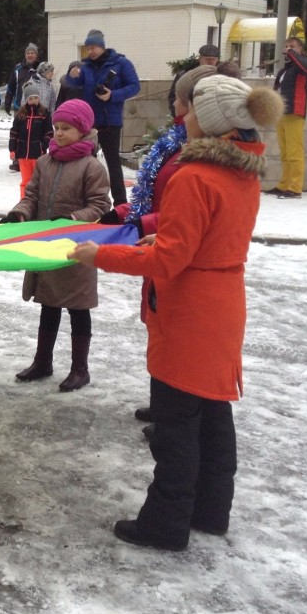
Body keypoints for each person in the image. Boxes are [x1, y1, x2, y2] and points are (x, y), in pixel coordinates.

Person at [69, 75, 281, 551]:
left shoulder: (193, 176)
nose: (181, 118)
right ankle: (210, 510)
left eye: (190, 111)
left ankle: (164, 524)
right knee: (212, 412)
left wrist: (96, 256)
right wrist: (162, 237)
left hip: (189, 311)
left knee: (176, 424)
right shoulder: (244, 172)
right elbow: (198, 237)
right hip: (223, 303)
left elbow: (169, 260)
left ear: (208, 122)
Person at [103, 64, 228, 442]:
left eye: (177, 98)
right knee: (158, 332)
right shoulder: (175, 145)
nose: (173, 104)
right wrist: (123, 214)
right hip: (158, 250)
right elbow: (152, 198)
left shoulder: (195, 158)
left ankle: (173, 417)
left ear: (191, 106)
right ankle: (164, 406)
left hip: (173, 262)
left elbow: (181, 214)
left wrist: (139, 228)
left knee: (175, 342)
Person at [0, 98, 111, 393]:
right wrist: (20, 212)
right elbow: (32, 196)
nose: (59, 133)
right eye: (56, 128)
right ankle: (42, 361)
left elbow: (101, 204)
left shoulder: (91, 166)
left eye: (66, 128)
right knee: (48, 304)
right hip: (46, 247)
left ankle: (80, 369)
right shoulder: (45, 162)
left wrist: (73, 219)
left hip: (77, 249)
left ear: (83, 130)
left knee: (78, 308)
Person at [75, 29, 141, 206]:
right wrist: (71, 76)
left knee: (113, 162)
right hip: (89, 122)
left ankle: (120, 203)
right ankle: (89, 200)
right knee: (87, 163)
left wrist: (112, 95)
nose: (90, 52)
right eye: (87, 49)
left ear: (102, 46)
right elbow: (74, 85)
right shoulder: (86, 67)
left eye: (93, 47)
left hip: (110, 121)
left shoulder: (121, 63)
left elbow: (135, 86)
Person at [267, 36, 307, 199]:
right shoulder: (286, 68)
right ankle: (284, 184)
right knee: (285, 152)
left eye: (292, 47)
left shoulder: (305, 63)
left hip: (295, 111)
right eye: (286, 46)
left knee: (294, 151)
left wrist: (293, 54)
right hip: (282, 113)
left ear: (300, 49)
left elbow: (306, 68)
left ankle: (295, 187)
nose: (288, 49)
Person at [10, 82, 52, 198]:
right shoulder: (21, 114)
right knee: (26, 181)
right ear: (26, 100)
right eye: (30, 98)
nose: (33, 101)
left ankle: (38, 203)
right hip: (23, 154)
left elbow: (49, 133)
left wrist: (43, 146)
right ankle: (24, 202)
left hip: (38, 154)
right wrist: (12, 148)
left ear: (39, 98)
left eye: (35, 98)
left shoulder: (44, 113)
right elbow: (14, 132)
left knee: (38, 181)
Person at [4, 43, 43, 170]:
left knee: (34, 133)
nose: (30, 55)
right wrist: (8, 102)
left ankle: (36, 159)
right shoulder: (18, 69)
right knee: (19, 133)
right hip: (19, 106)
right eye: (28, 53)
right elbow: (11, 87)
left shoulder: (41, 68)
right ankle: (17, 160)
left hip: (36, 106)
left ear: (36, 55)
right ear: (25, 55)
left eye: (32, 53)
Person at [167, 44, 220, 117]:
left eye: (213, 60)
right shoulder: (185, 75)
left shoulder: (221, 76)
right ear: (200, 58)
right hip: (188, 115)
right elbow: (173, 97)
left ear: (217, 60)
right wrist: (178, 117)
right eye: (207, 59)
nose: (210, 63)